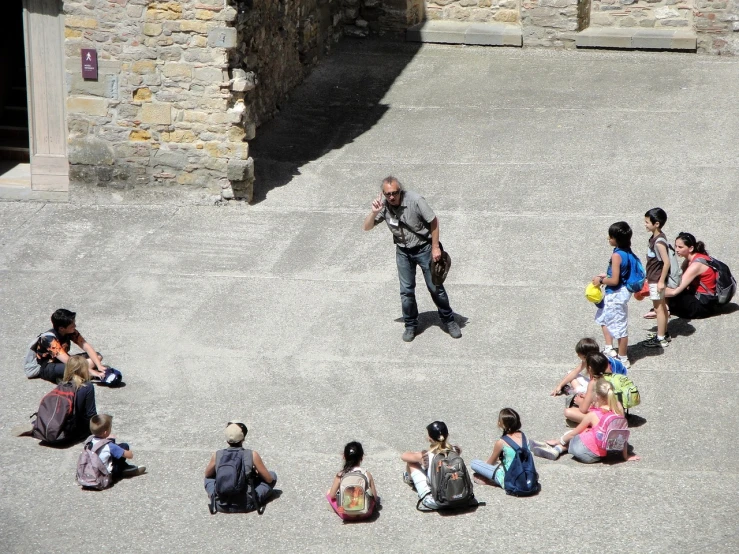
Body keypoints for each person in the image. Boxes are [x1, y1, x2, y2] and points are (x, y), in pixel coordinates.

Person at [363, 176, 461, 342]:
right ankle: (410, 325)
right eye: (388, 194)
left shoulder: (415, 200)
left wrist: (435, 247)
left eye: (395, 193)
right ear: (383, 194)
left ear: (400, 191)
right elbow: (367, 227)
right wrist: (374, 212)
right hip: (403, 252)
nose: (392, 197)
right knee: (406, 291)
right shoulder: (385, 207)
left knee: (435, 287)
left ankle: (449, 320)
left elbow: (433, 221)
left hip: (424, 248)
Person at [531, 379, 639, 463]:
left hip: (582, 452)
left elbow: (574, 433)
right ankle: (557, 449)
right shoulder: (619, 411)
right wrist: (626, 456)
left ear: (596, 396)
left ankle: (557, 448)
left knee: (577, 433)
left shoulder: (593, 415)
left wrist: (560, 440)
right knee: (590, 432)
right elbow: (623, 435)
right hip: (600, 455)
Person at [204, 421, 277, 513]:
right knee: (272, 475)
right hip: (247, 505)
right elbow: (269, 479)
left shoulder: (218, 454)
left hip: (220, 505)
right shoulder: (252, 455)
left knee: (208, 479)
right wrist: (257, 473)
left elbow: (207, 474)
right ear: (243, 439)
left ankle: (214, 496)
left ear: (227, 440)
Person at [592, 222, 635, 369]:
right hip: (618, 293)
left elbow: (615, 280)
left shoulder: (617, 255)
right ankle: (609, 348)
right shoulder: (626, 251)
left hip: (616, 295)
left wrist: (601, 280)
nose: (608, 239)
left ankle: (623, 359)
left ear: (617, 239)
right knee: (604, 317)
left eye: (610, 237)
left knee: (620, 327)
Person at [28, 309, 106, 383]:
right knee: (70, 368)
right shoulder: (49, 340)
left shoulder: (70, 332)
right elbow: (69, 362)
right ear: (62, 328)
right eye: (72, 326)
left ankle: (75, 375)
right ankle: (71, 376)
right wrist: (94, 372)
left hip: (64, 361)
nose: (75, 326)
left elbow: (86, 347)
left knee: (98, 356)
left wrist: (99, 366)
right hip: (47, 367)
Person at [400, 421, 460, 510]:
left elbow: (404, 456)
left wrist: (419, 457)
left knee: (411, 463)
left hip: (435, 501)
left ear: (430, 439)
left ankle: (410, 479)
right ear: (447, 435)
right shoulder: (455, 450)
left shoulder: (426, 455)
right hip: (460, 496)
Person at [665, 232, 720, 319]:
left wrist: (653, 290)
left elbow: (675, 291)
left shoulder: (696, 265)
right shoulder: (692, 259)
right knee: (667, 286)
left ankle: (665, 309)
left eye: (680, 247)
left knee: (668, 293)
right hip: (702, 299)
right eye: (676, 246)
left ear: (691, 248)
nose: (676, 250)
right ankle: (666, 308)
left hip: (703, 306)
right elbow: (678, 280)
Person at [640, 208, 673, 348]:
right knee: (662, 307)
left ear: (657, 224)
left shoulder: (658, 242)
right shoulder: (656, 238)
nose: (645, 224)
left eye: (647, 222)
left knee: (658, 308)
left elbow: (666, 262)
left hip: (656, 280)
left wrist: (660, 281)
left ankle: (660, 338)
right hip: (654, 279)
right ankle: (664, 333)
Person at [550, 338, 627, 397]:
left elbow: (607, 384)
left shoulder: (602, 364)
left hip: (608, 389)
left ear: (585, 356)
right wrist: (560, 385)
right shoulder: (593, 358)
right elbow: (575, 372)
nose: (577, 356)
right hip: (598, 384)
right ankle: (574, 391)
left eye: (579, 355)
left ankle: (572, 392)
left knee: (581, 390)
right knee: (570, 373)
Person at [470, 408, 526, 489]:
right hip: (525, 475)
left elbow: (490, 463)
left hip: (509, 479)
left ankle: (493, 481)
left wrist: (486, 463)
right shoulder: (523, 437)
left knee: (474, 463)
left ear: (501, 424)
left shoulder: (501, 442)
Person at [563, 352, 623, 425]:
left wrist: (580, 402)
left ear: (589, 368)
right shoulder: (610, 378)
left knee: (568, 412)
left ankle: (597, 424)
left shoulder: (593, 383)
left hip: (604, 417)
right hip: (615, 415)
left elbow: (583, 410)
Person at [327, 441, 378, 520]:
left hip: (346, 514)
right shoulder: (366, 474)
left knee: (329, 493)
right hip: (365, 513)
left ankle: (338, 509)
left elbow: (332, 495)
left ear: (344, 456)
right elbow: (374, 497)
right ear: (362, 457)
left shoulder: (341, 475)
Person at [87, 414, 145, 480]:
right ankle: (124, 469)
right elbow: (130, 455)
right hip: (106, 475)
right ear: (105, 432)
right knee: (124, 446)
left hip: (92, 472)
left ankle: (124, 468)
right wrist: (128, 452)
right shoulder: (109, 446)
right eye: (110, 428)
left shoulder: (89, 441)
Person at [63, 355, 99, 441]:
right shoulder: (87, 387)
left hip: (60, 427)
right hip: (74, 430)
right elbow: (91, 414)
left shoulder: (62, 385)